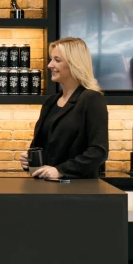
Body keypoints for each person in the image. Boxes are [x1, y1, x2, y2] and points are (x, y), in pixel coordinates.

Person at [19, 37, 109, 179]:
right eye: (51, 59)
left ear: (74, 64)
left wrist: (60, 170)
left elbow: (98, 151)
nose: (50, 65)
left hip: (78, 191)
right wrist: (30, 160)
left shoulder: (92, 99)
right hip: (45, 189)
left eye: (57, 60)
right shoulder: (50, 102)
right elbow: (40, 147)